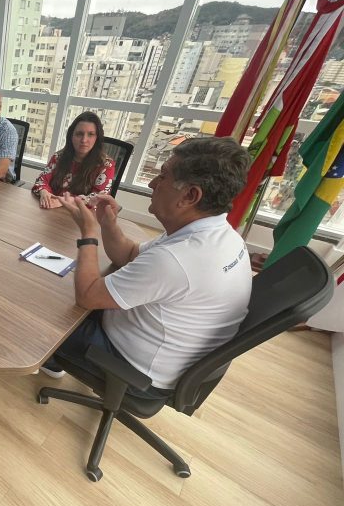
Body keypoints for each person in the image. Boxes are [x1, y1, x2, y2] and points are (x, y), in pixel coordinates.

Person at [41, 137, 253, 398]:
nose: (152, 184)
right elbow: (130, 254)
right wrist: (107, 223)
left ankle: (43, 358)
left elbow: (87, 296)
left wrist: (88, 233)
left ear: (190, 195)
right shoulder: (216, 234)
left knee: (42, 303)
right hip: (164, 353)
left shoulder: (178, 260)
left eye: (162, 176)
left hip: (134, 372)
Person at [31, 112, 116, 209]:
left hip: (82, 217)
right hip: (52, 210)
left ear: (97, 138)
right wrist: (44, 192)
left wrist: (65, 201)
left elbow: (98, 198)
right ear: (71, 136)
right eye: (79, 134)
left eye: (91, 134)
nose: (84, 140)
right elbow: (41, 180)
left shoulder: (106, 165)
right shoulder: (59, 157)